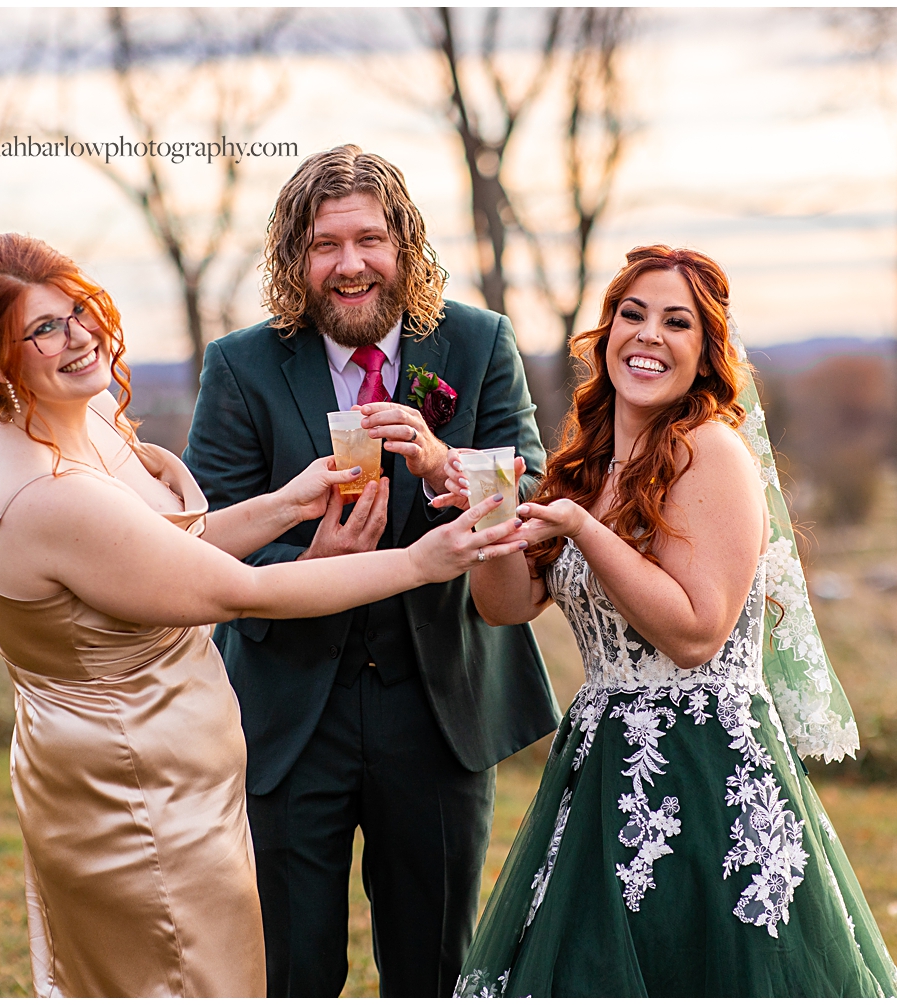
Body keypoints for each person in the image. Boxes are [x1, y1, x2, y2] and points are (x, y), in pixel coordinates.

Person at [0, 233, 524, 998]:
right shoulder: (50, 496)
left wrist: (286, 502)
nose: (78, 337)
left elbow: (170, 548)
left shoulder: (86, 423)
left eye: (78, 311)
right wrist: (421, 561)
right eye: (43, 328)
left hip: (181, 777)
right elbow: (235, 591)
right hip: (128, 796)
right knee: (178, 979)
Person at [452, 246, 897, 997]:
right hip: (599, 773)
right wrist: (491, 524)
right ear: (604, 334)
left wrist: (582, 529)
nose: (648, 335)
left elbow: (697, 632)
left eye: (677, 322)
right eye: (632, 315)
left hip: (706, 773)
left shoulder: (712, 453)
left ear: (705, 353)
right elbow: (505, 605)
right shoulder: (588, 464)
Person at [182, 145, 559, 997]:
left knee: (432, 969)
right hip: (286, 711)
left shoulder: (477, 341)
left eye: (370, 240)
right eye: (324, 245)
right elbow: (204, 540)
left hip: (437, 706)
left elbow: (531, 492)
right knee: (291, 970)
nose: (349, 265)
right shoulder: (241, 366)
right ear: (295, 259)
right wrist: (309, 563)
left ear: (405, 246)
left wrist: (443, 468)